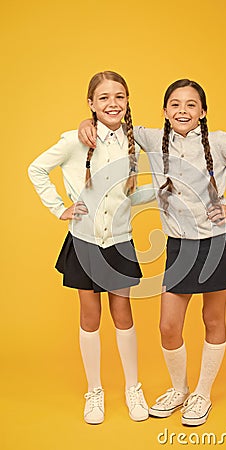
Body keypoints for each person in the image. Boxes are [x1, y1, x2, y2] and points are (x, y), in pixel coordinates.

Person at [78, 78, 226, 426]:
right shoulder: (154, 139)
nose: (182, 110)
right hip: (178, 245)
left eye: (191, 104)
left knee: (213, 320)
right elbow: (114, 121)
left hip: (216, 242)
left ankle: (202, 394)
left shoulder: (219, 142)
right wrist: (85, 122)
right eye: (175, 104)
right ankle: (180, 388)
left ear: (203, 112)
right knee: (169, 327)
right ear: (165, 111)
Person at [28, 71, 155, 425]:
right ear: (91, 104)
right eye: (103, 98)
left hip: (120, 243)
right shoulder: (75, 139)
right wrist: (60, 208)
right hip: (84, 243)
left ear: (128, 101)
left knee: (124, 316)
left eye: (119, 97)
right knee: (89, 317)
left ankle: (133, 387)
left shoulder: (134, 143)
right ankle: (94, 391)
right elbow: (37, 169)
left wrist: (157, 193)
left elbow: (129, 195)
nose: (112, 104)